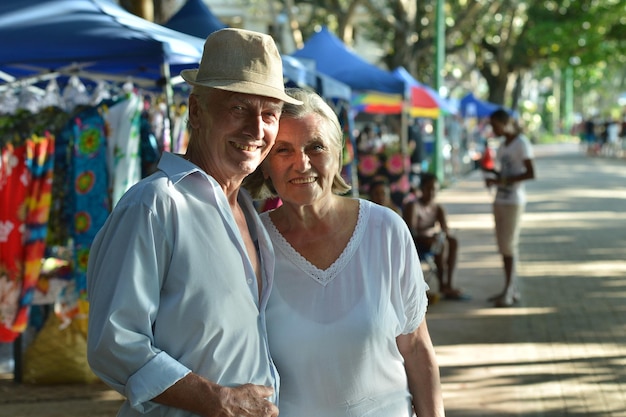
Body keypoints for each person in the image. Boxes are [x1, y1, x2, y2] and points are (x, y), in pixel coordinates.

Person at [86, 28, 302, 417]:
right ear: (197, 111)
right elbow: (113, 343)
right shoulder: (154, 204)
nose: (256, 130)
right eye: (238, 108)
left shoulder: (251, 212)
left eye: (269, 114)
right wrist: (216, 400)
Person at [244, 88, 445, 417]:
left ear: (339, 154)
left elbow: (417, 349)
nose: (302, 163)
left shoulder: (386, 230)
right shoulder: (252, 243)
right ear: (265, 165)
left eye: (316, 146)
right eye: (284, 150)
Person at [485, 108, 535, 307]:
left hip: (513, 200)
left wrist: (504, 180)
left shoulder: (521, 143)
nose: (493, 129)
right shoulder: (503, 145)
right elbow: (505, 172)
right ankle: (509, 289)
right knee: (504, 246)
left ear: (505, 123)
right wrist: (495, 178)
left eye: (495, 125)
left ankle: (509, 289)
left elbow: (530, 173)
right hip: (501, 199)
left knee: (509, 245)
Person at [403, 172, 465, 300]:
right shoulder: (413, 206)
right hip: (417, 243)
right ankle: (443, 285)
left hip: (433, 242)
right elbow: (410, 232)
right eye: (428, 189)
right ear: (422, 189)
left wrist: (442, 235)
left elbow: (445, 230)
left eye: (434, 189)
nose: (432, 193)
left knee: (452, 241)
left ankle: (449, 283)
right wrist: (432, 238)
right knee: (440, 244)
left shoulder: (438, 208)